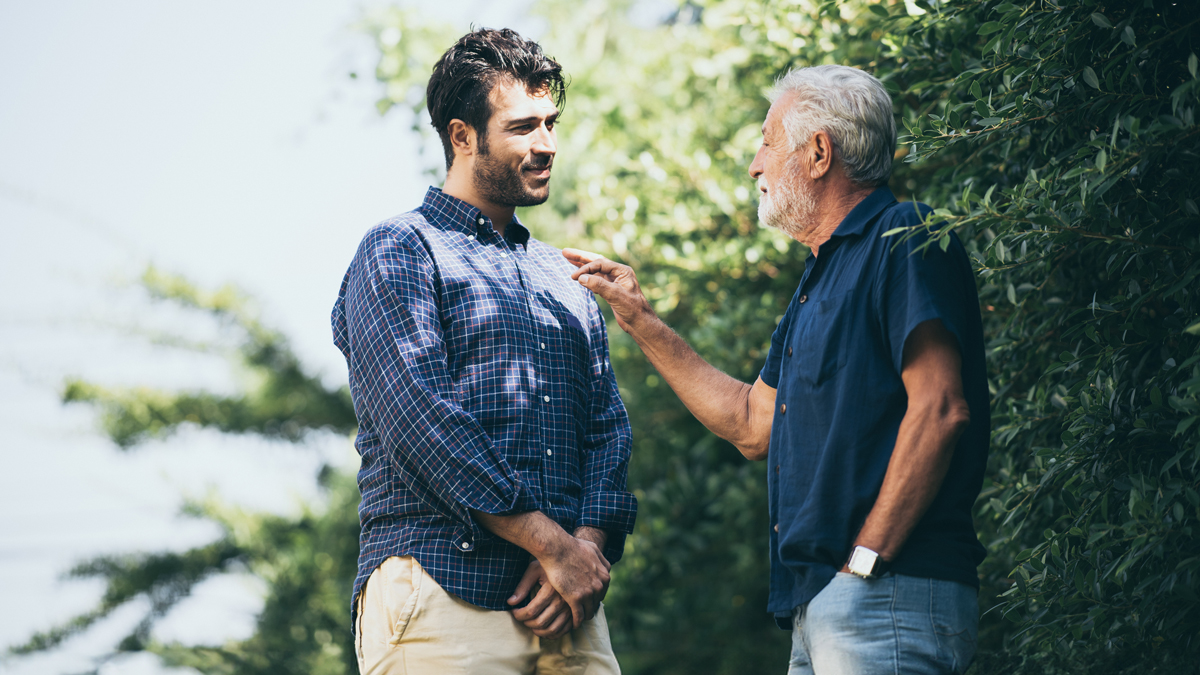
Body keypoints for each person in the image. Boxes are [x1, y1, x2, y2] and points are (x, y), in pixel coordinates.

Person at [566, 64, 989, 674]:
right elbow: (750, 424)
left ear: (819, 153)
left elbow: (942, 408)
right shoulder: (816, 284)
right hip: (819, 607)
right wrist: (638, 318)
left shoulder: (904, 236)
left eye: (767, 141)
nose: (754, 165)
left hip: (885, 590)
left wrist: (864, 562)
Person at [332, 28, 635, 675]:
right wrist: (551, 544)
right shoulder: (398, 251)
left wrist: (583, 549)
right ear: (462, 135)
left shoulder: (565, 278)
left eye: (551, 123)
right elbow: (420, 419)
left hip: (570, 607)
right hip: (442, 595)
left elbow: (608, 427)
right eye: (523, 126)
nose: (546, 144)